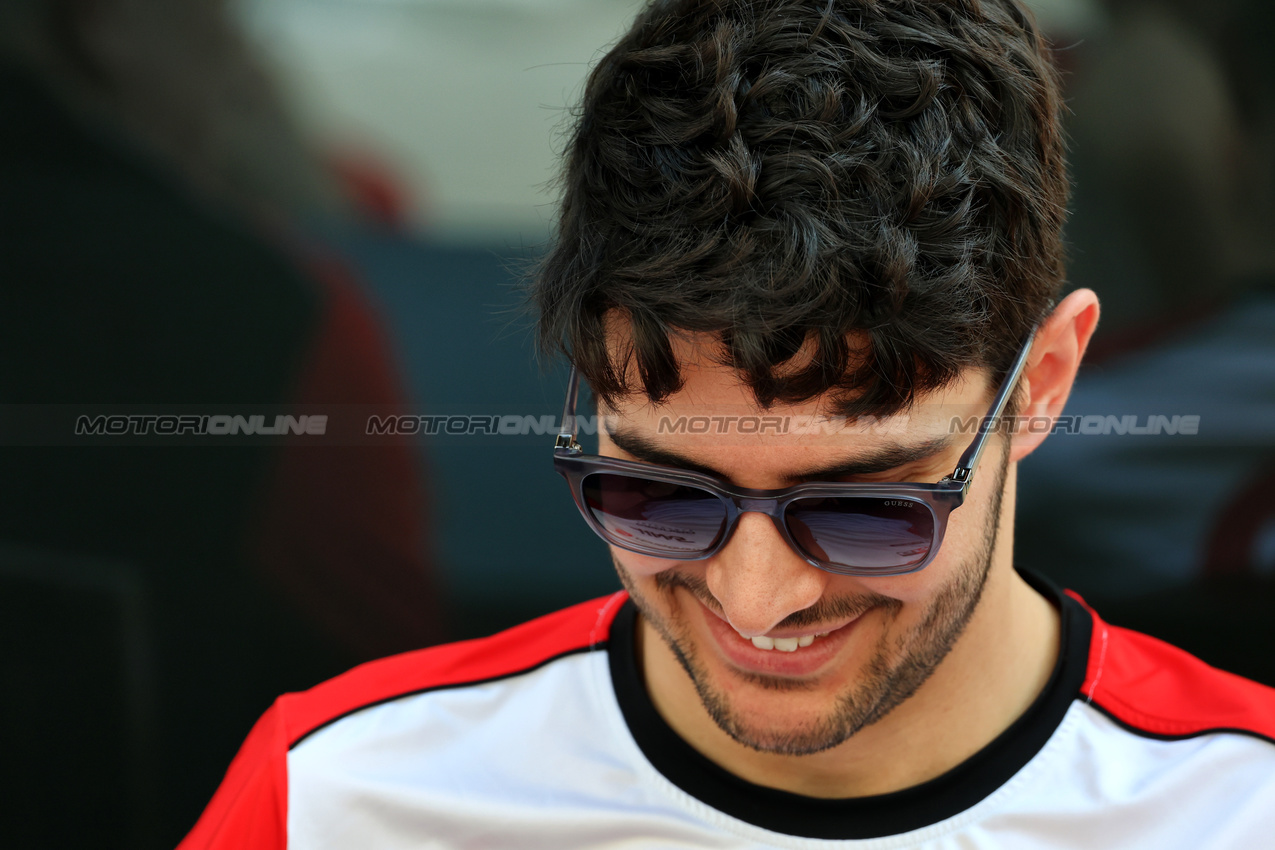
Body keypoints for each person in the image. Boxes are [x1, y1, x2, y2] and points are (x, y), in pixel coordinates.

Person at [179, 0, 1275, 847]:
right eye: (659, 494)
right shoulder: (343, 799)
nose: (761, 596)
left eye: (864, 509)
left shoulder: (1240, 808)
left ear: (1040, 383)